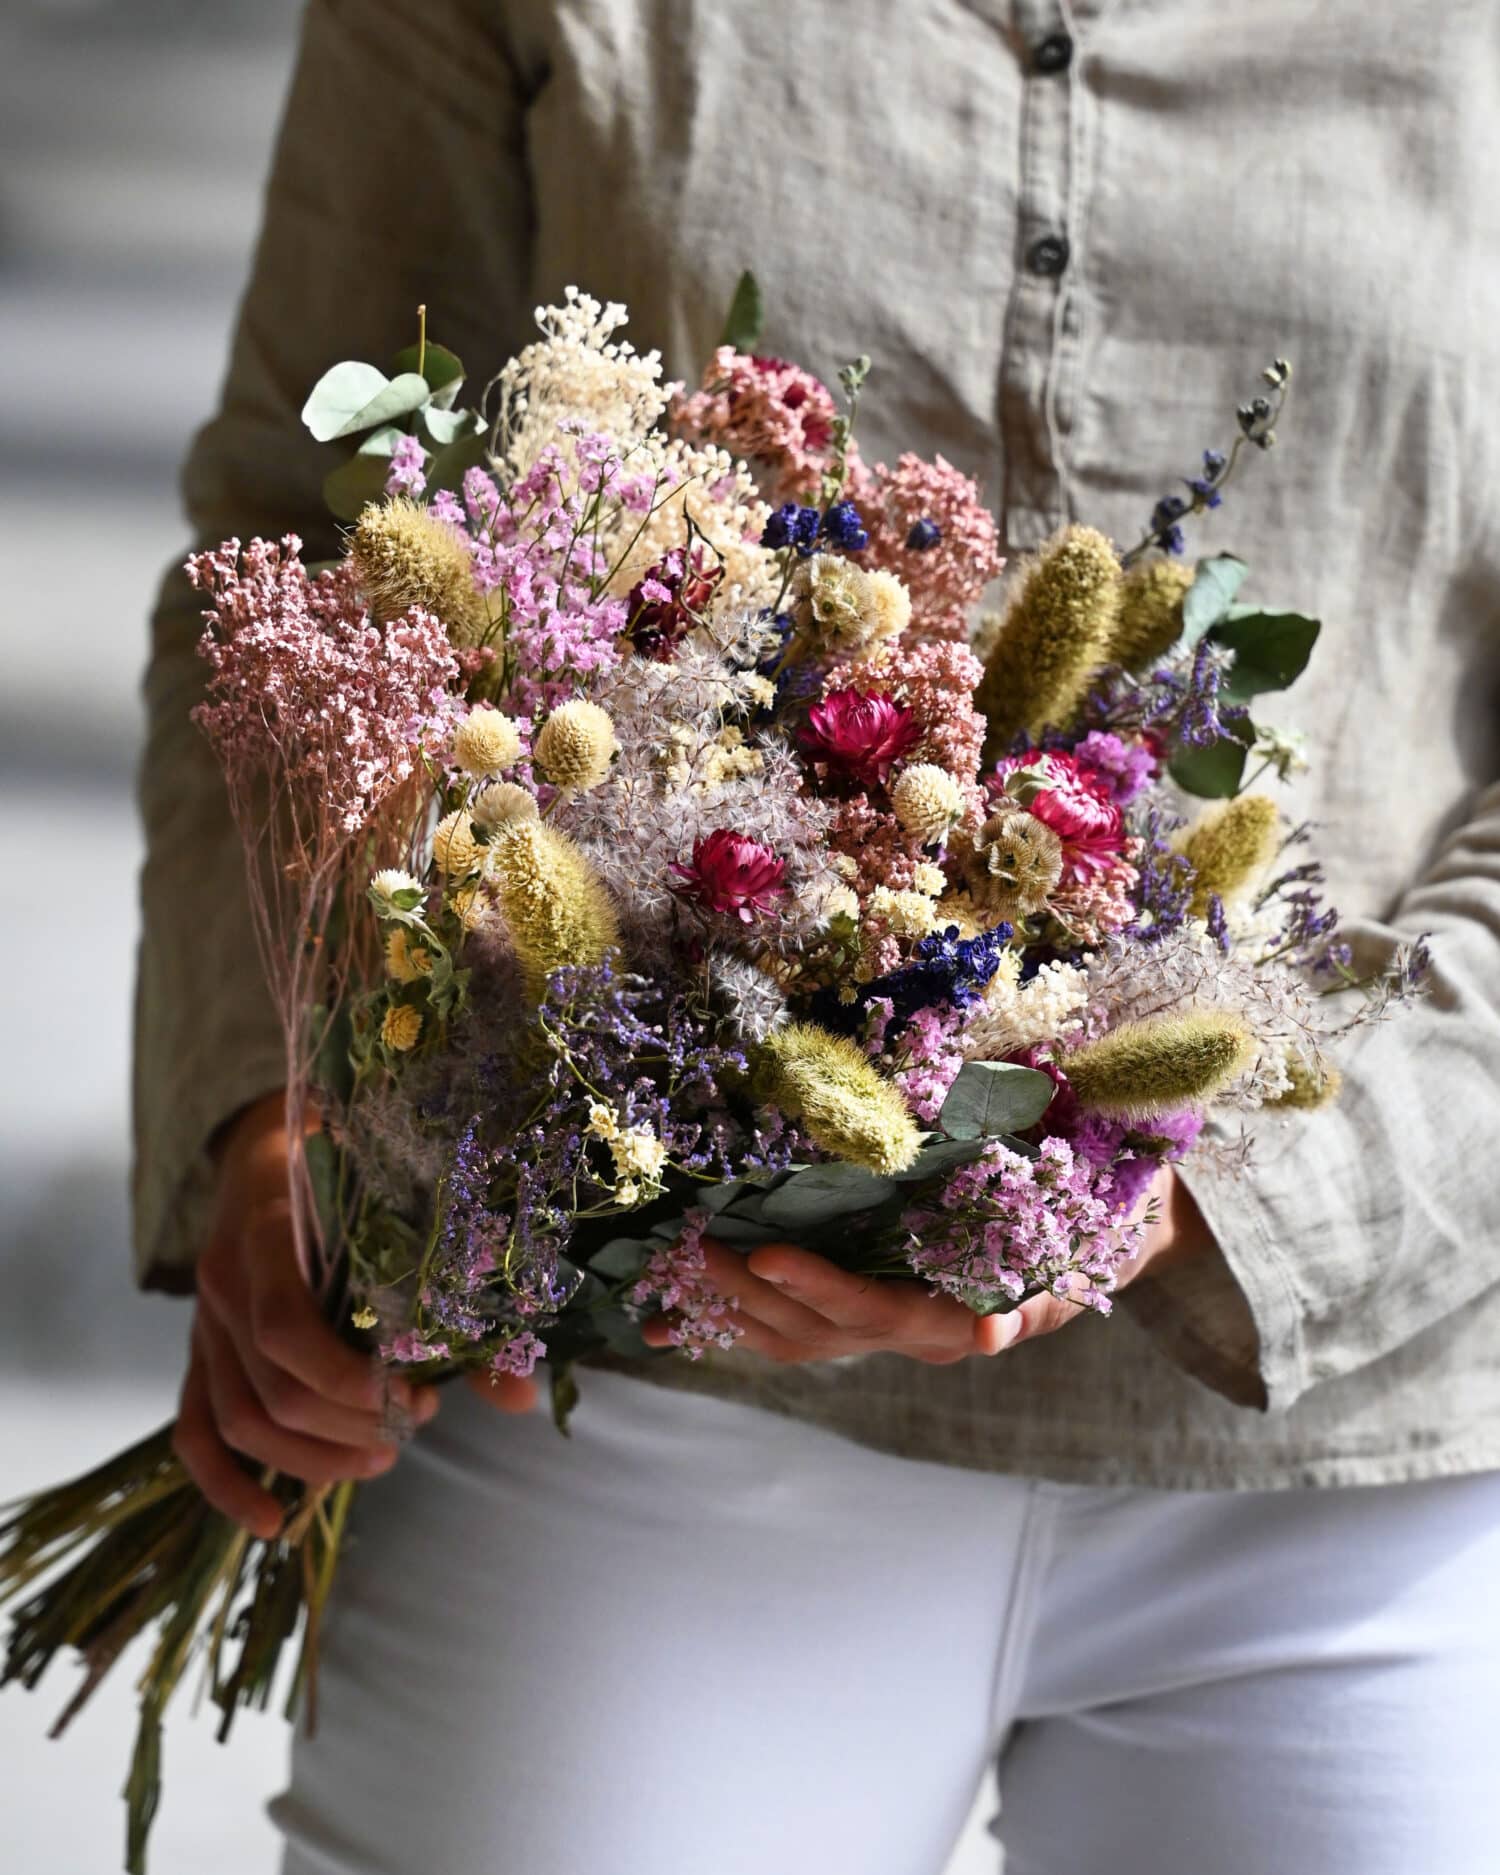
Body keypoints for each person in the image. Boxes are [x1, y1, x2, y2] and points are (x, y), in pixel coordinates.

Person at [137, 3, 1500, 1870]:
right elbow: (313, 536)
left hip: (1355, 1476)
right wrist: (283, 1118)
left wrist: (1198, 1188)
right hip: (623, 1386)